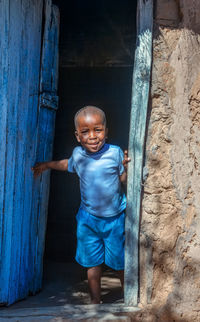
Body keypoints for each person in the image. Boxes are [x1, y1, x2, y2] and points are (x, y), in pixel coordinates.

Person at [32, 105, 130, 304]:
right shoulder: (78, 155)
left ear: (106, 131)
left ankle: (129, 297)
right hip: (88, 219)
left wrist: (128, 167)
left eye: (98, 130)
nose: (93, 136)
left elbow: (122, 180)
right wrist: (47, 165)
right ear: (78, 136)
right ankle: (95, 300)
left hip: (115, 219)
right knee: (92, 262)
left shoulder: (115, 153)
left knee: (119, 261)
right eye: (85, 132)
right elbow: (66, 164)